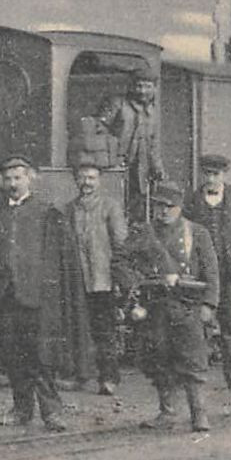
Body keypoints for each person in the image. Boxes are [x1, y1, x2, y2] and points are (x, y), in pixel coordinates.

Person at [0, 154, 80, 432]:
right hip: (6, 299)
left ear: (30, 178)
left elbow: (62, 263)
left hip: (36, 300)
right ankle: (21, 409)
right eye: (8, 179)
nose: (13, 183)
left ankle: (52, 412)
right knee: (13, 357)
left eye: (18, 178)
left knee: (42, 357)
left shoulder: (47, 213)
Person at [129, 182, 221, 432]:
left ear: (180, 208)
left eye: (170, 206)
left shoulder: (197, 233)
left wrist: (209, 305)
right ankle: (167, 412)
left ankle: (199, 414)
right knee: (158, 359)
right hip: (156, 306)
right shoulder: (145, 233)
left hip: (187, 306)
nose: (164, 211)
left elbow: (211, 272)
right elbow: (126, 261)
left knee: (192, 361)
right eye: (159, 206)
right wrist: (137, 281)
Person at [182, 153, 231, 392]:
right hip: (202, 274)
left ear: (224, 174)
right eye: (207, 173)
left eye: (215, 174)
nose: (211, 178)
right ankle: (197, 376)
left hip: (230, 272)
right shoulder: (193, 200)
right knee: (199, 324)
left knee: (230, 325)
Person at [64, 158, 131, 394]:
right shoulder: (70, 208)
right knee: (80, 330)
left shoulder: (110, 207)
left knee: (105, 331)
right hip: (79, 280)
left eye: (91, 178)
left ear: (99, 181)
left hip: (103, 280)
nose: (86, 183)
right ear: (76, 180)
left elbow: (121, 243)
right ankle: (81, 377)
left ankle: (109, 378)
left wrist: (119, 278)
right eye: (82, 178)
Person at [97, 72, 165, 223]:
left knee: (138, 209)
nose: (142, 91)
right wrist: (112, 152)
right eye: (138, 86)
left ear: (154, 89)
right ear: (131, 87)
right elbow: (99, 128)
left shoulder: (152, 112)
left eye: (147, 86)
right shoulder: (117, 104)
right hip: (115, 166)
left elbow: (152, 142)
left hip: (140, 170)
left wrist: (158, 167)